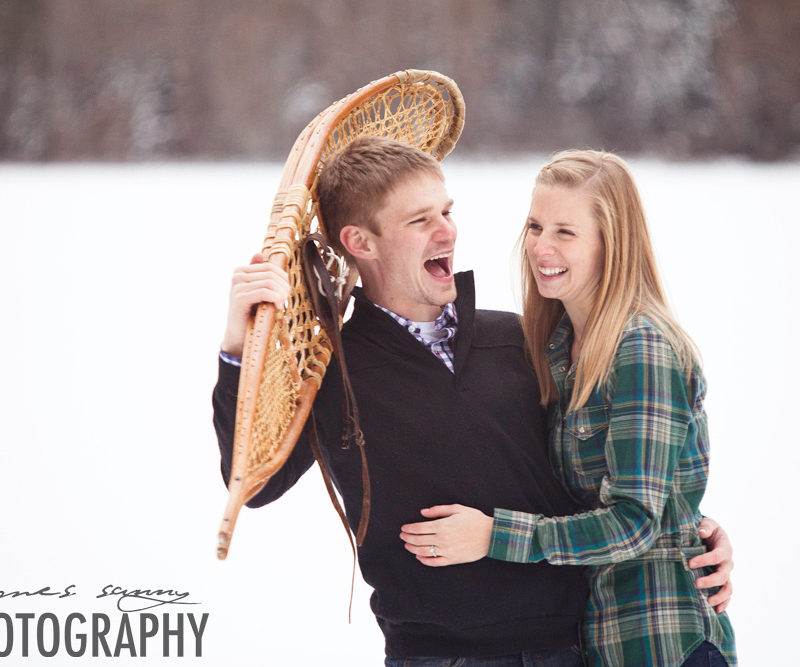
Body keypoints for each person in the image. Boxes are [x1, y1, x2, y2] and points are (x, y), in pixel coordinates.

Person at [212, 136, 733, 666]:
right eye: (420, 220)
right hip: (438, 657)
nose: (448, 231)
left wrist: (687, 529)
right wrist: (237, 347)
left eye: (448, 211)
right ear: (361, 242)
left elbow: (608, 475)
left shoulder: (522, 340)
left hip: (570, 649)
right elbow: (252, 482)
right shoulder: (336, 374)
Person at [399, 150, 737, 666]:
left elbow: (634, 522)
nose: (541, 247)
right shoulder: (557, 348)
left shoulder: (640, 347)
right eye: (535, 226)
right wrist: (690, 522)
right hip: (598, 644)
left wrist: (494, 535)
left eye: (566, 232)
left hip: (663, 645)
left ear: (611, 244)